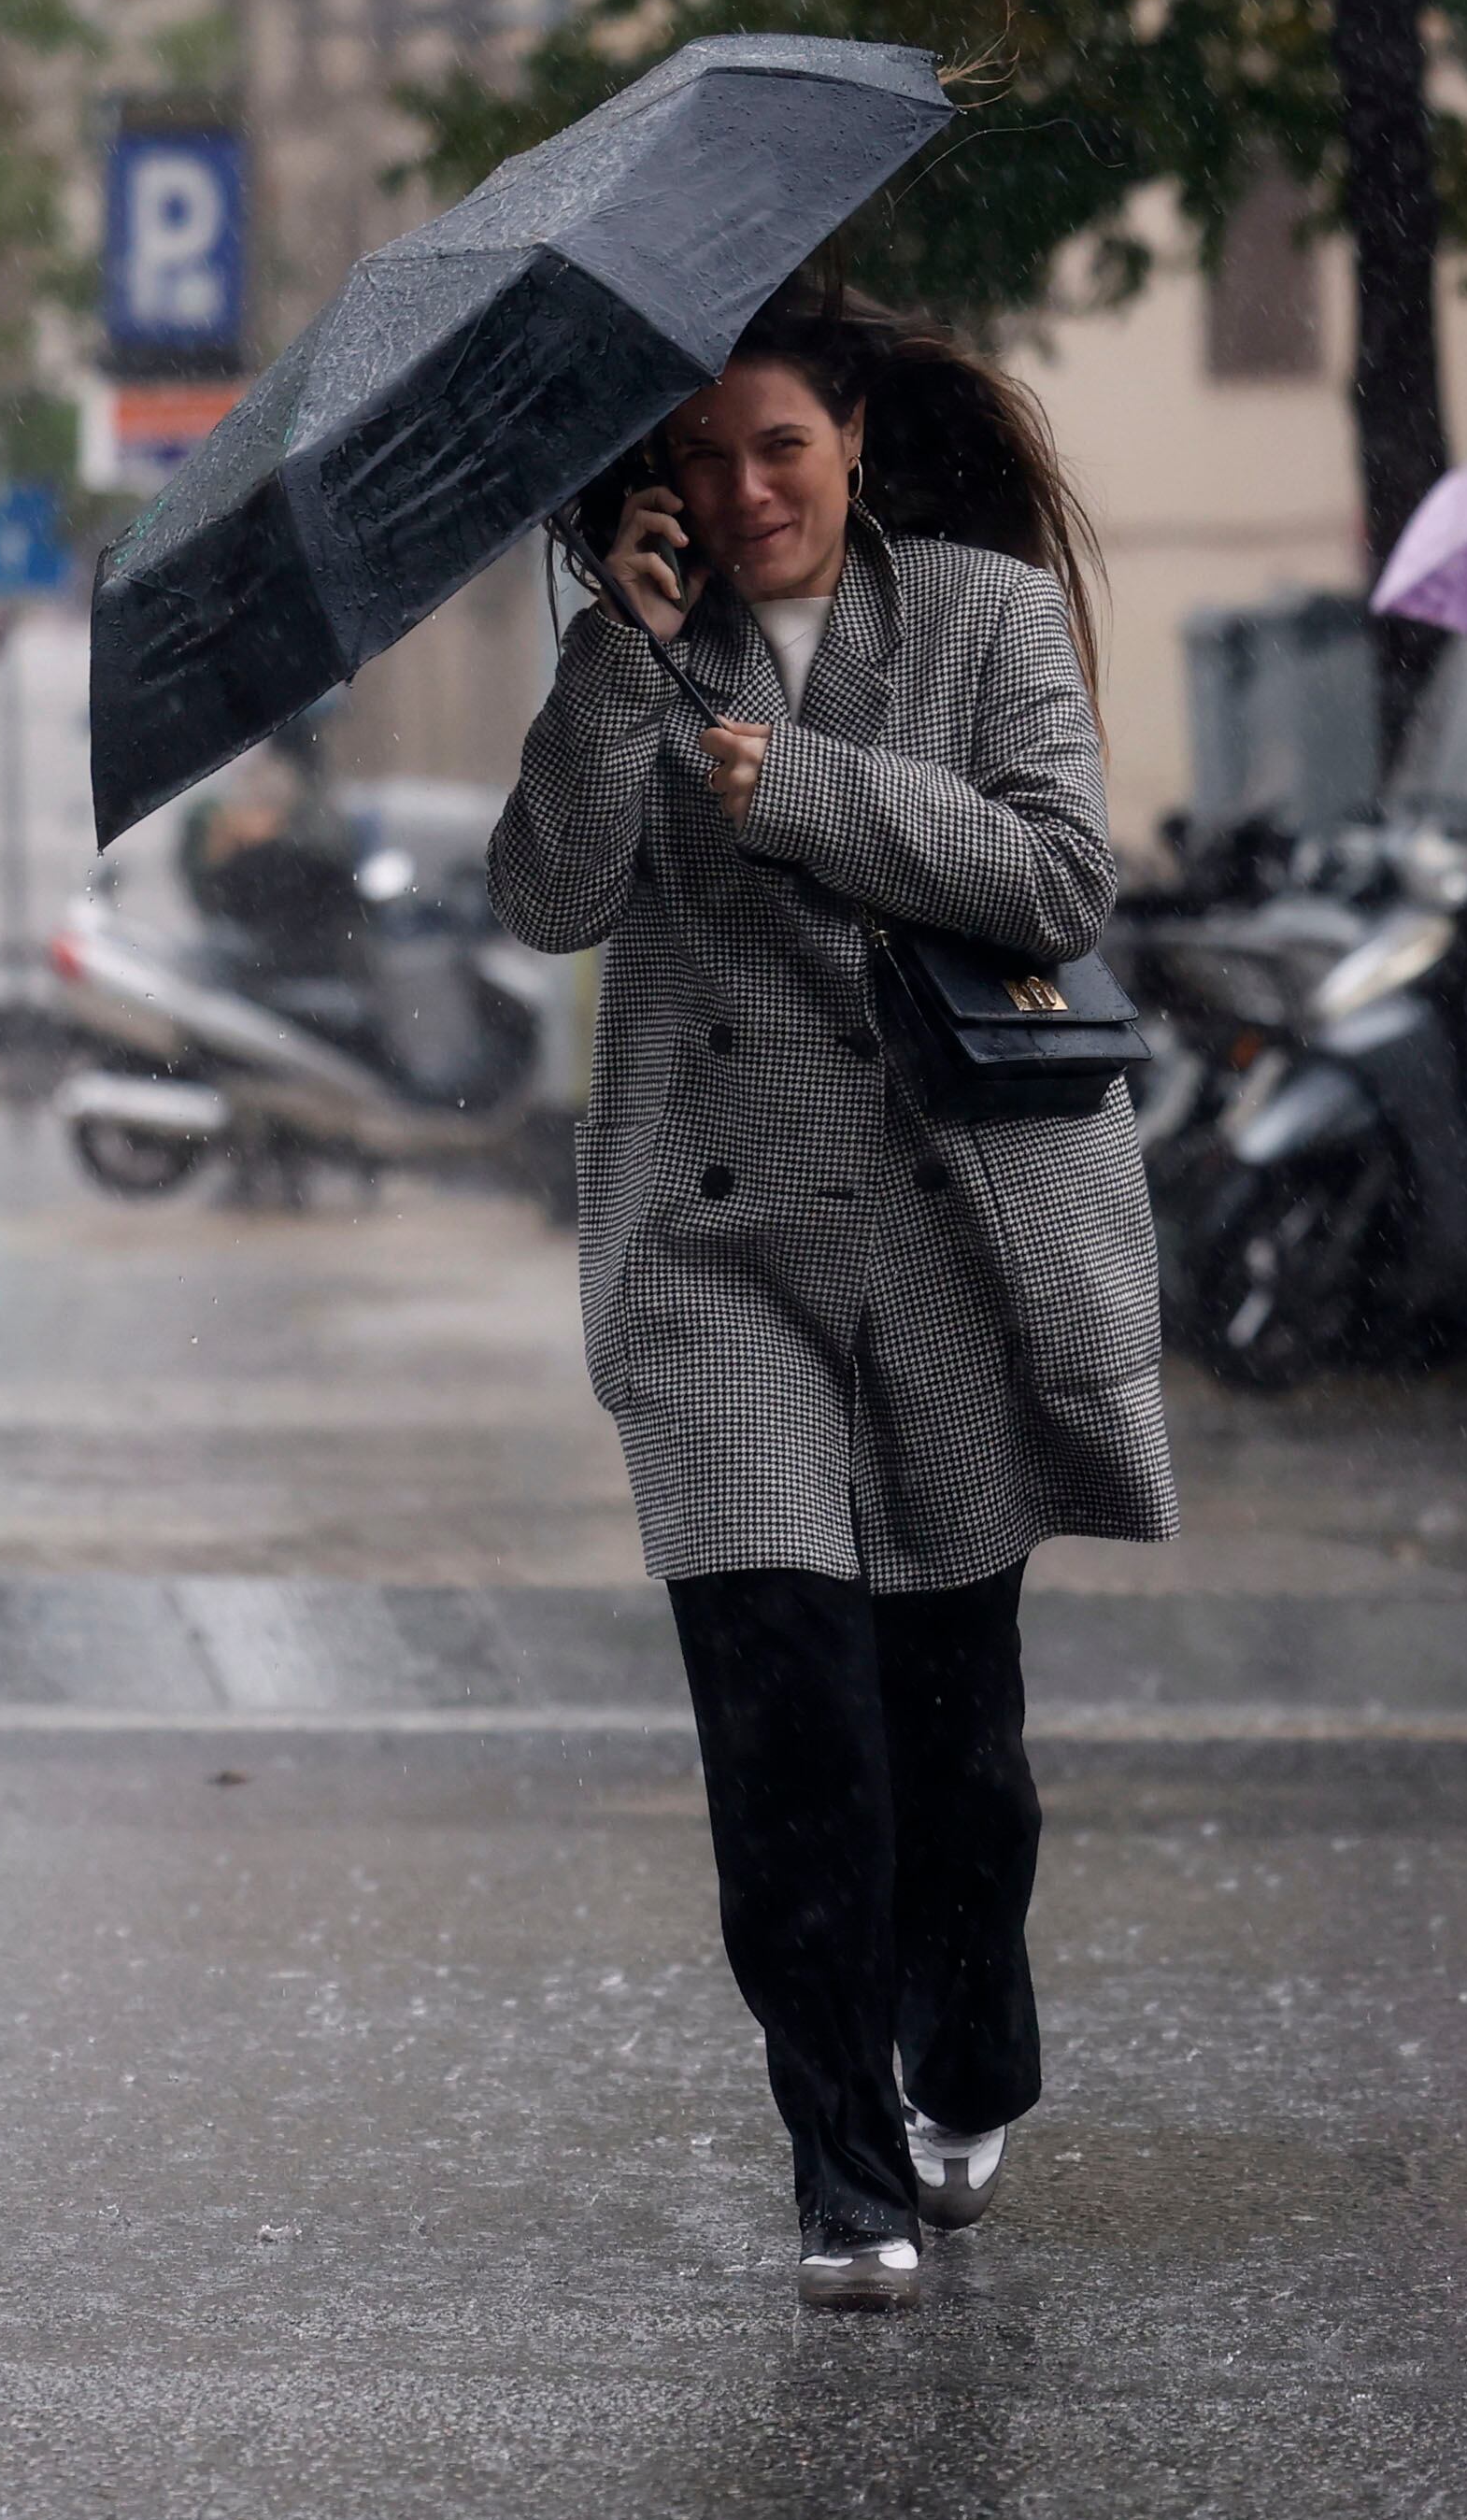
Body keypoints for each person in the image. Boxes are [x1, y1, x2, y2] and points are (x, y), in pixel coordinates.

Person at [487, 282, 1176, 2311]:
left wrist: (785, 786)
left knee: (950, 1739)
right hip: (709, 1256)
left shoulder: (977, 616)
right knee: (784, 1722)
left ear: (852, 435)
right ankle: (837, 2167)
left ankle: (966, 2050)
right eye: (696, 456)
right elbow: (541, 901)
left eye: (775, 444)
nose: (739, 488)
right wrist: (616, 667)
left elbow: (1057, 880)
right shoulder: (627, 642)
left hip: (941, 1234)